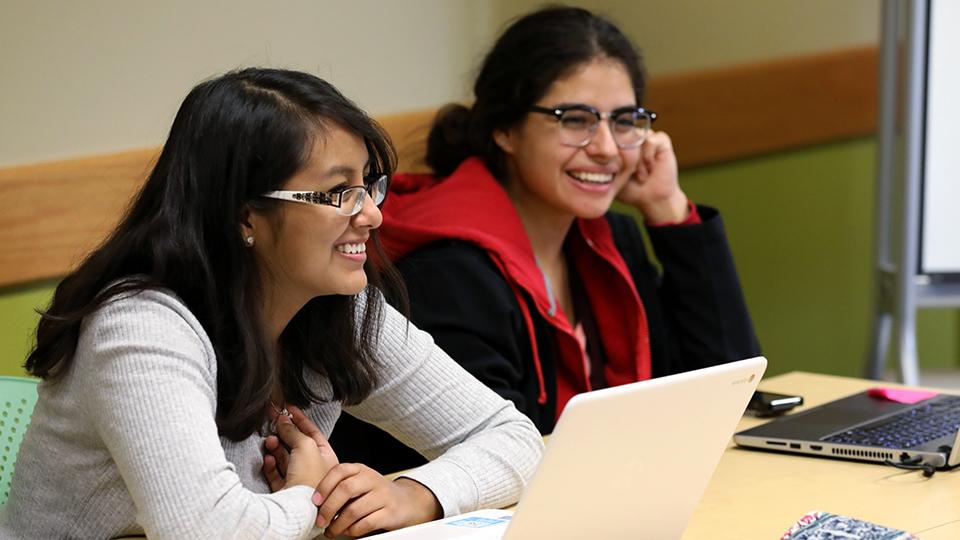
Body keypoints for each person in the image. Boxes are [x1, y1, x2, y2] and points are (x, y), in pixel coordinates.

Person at [0, 68, 542, 539]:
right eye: (337, 193)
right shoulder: (140, 328)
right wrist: (307, 498)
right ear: (243, 217)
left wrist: (414, 493)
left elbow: (512, 437)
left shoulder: (337, 307)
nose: (372, 215)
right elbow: (207, 533)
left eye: (369, 186)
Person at [330, 6, 760, 473]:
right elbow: (500, 460)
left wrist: (669, 209)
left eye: (625, 121)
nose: (607, 148)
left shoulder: (607, 238)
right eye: (575, 119)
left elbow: (728, 387)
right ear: (505, 129)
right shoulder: (448, 269)